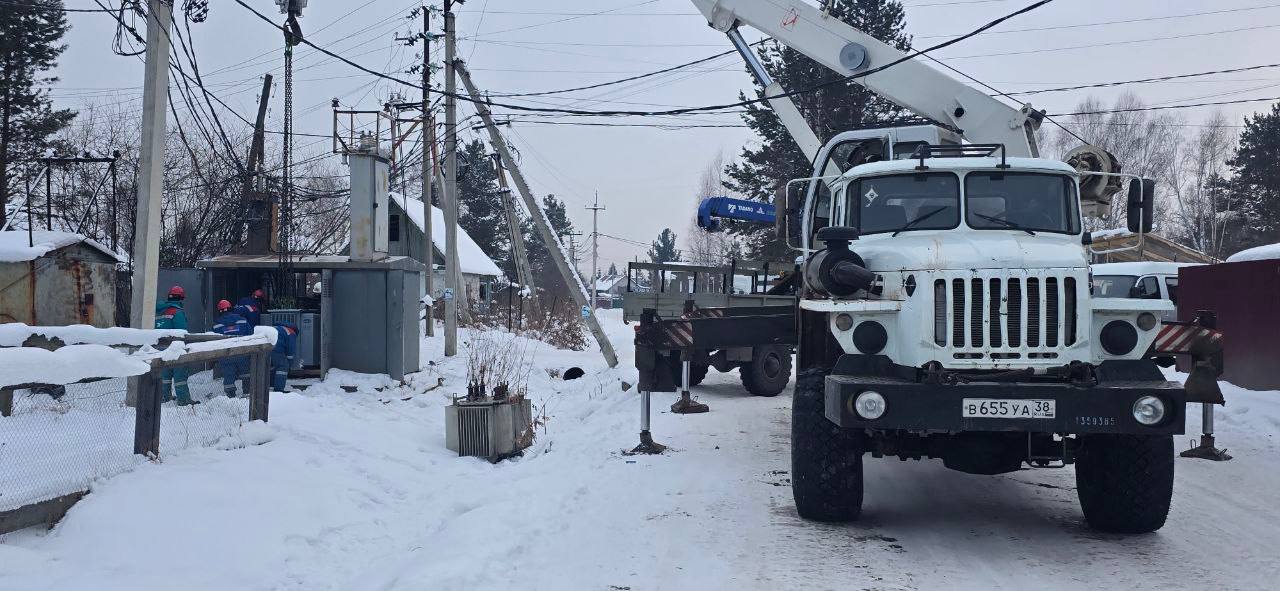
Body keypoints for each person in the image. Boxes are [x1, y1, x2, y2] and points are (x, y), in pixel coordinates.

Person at [155, 285, 198, 406]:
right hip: (175, 348)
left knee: (165, 374)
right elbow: (181, 332)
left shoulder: (159, 311)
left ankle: (165, 396)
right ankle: (183, 400)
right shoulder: (177, 312)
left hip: (160, 349)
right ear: (181, 298)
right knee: (180, 375)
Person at [211, 299, 250, 397]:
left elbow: (213, 341)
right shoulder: (242, 320)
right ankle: (247, 393)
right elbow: (250, 334)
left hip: (226, 354)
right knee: (246, 373)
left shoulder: (216, 326)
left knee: (228, 375)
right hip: (242, 352)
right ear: (230, 308)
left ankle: (231, 396)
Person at [270, 323, 298, 392]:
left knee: (273, 367)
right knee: (283, 366)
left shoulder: (278, 328)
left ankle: (271, 386)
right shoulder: (291, 332)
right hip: (275, 350)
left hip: (264, 349)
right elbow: (290, 350)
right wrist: (290, 364)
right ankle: (279, 390)